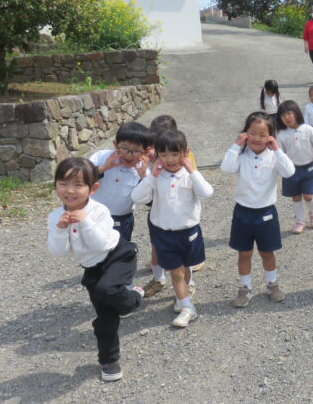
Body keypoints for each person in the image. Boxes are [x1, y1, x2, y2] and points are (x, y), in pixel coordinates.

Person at [47, 157, 144, 382]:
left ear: (93, 188)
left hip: (118, 256)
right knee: (104, 318)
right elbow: (58, 251)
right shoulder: (54, 216)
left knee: (106, 289)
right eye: (63, 184)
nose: (70, 190)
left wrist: (84, 222)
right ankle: (108, 360)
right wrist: (60, 229)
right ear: (55, 186)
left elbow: (100, 244)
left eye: (78, 185)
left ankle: (132, 299)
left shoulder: (99, 211)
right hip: (93, 268)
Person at [131, 130, 213, 327]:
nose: (170, 159)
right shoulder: (156, 176)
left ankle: (186, 290)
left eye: (175, 154)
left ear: (185, 153)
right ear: (157, 155)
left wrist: (192, 170)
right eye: (164, 154)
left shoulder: (190, 175)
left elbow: (206, 193)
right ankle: (187, 307)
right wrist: (151, 176)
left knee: (187, 267)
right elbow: (137, 197)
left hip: (188, 231)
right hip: (164, 232)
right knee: (176, 272)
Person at [221, 112, 296, 308]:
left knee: (267, 252)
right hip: (243, 212)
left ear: (270, 137)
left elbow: (289, 171)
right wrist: (236, 144)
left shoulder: (273, 157)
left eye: (263, 135)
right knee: (244, 253)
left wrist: (277, 149)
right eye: (252, 133)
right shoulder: (241, 156)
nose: (256, 138)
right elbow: (226, 168)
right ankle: (244, 287)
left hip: (266, 213)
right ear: (245, 133)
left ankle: (272, 283)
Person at [141, 115, 201, 298]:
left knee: (183, 254)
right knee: (155, 245)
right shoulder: (154, 156)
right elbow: (142, 188)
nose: (169, 158)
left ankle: (188, 283)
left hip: (180, 212)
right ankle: (158, 278)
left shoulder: (183, 158)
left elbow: (197, 183)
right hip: (158, 208)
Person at [88, 122, 151, 242]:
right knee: (92, 247)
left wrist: (143, 178)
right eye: (124, 148)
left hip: (122, 219)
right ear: (115, 144)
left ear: (145, 151)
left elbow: (149, 201)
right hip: (93, 215)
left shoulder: (143, 171)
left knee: (120, 249)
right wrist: (103, 168)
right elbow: (80, 179)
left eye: (136, 151)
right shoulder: (101, 157)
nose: (129, 155)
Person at [277, 100, 313, 234]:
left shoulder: (308, 129)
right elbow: (279, 154)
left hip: (308, 168)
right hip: (291, 170)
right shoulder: (282, 135)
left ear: (296, 113)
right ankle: (300, 221)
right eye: (283, 115)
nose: (286, 117)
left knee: (308, 195)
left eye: (289, 113)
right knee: (296, 197)